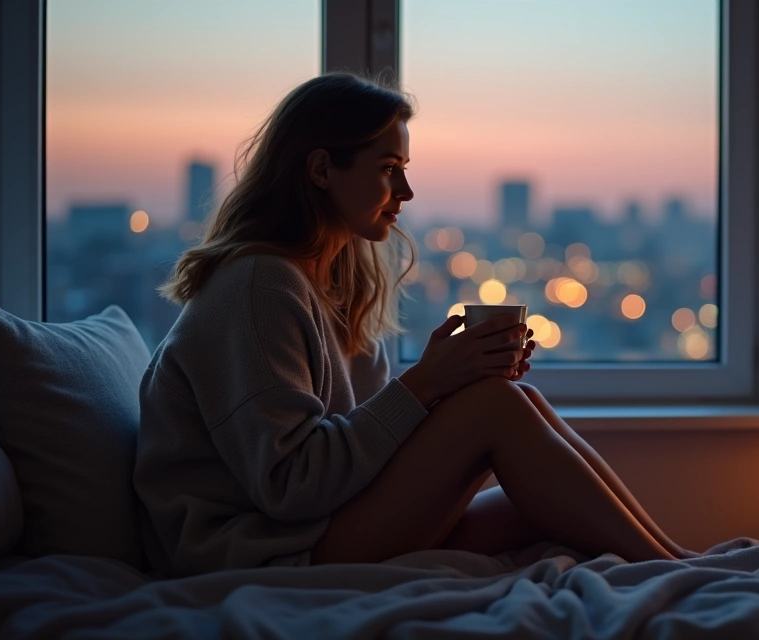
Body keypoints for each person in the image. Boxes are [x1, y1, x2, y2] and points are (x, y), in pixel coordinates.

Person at [134, 72, 695, 577]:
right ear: (322, 169)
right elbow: (291, 486)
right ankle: (678, 571)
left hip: (322, 525)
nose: (405, 193)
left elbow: (367, 448)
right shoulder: (257, 288)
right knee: (496, 409)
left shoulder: (331, 283)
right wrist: (425, 384)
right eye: (388, 170)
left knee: (519, 412)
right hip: (261, 551)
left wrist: (449, 381)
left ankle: (679, 560)